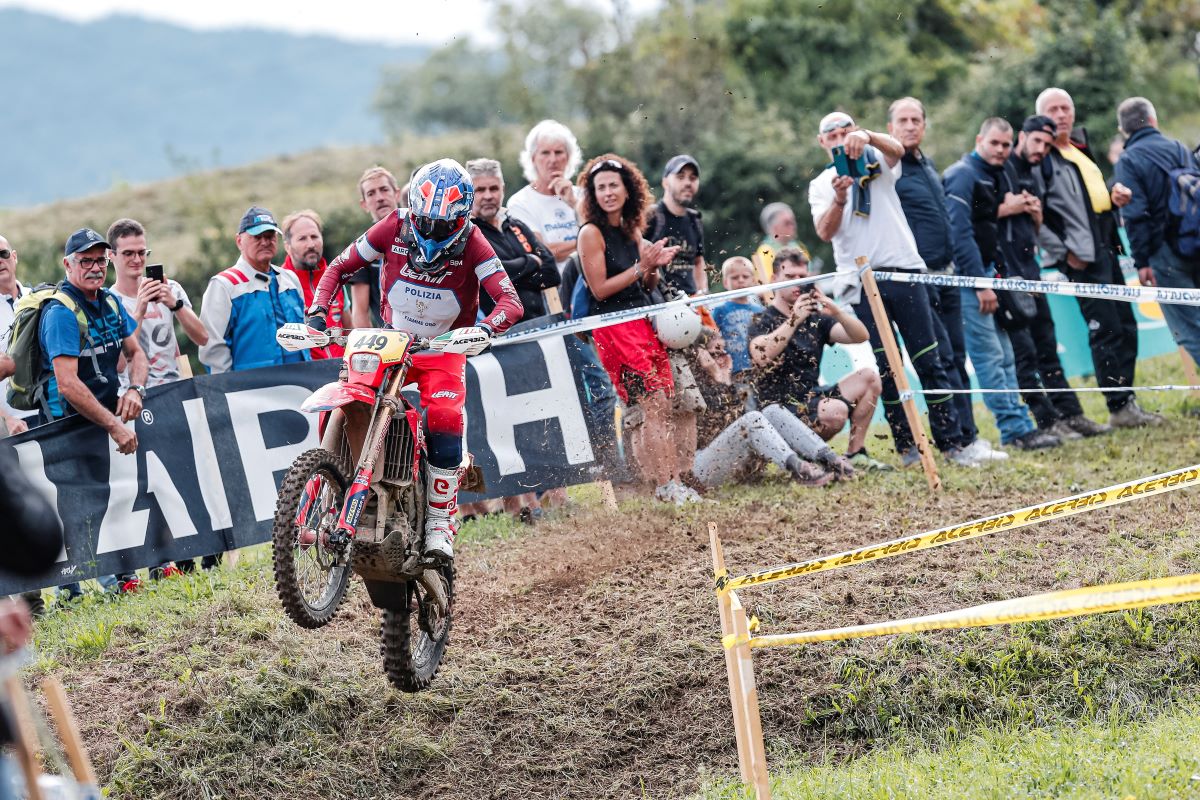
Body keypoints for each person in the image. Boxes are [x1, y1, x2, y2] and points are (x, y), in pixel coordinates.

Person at [309, 158, 523, 561]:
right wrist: (317, 311)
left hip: (443, 348)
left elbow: (510, 302)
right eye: (425, 222)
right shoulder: (394, 225)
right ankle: (337, 484)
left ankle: (441, 521)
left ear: (460, 219)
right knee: (347, 396)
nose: (432, 231)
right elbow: (339, 266)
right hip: (390, 342)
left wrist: (485, 329)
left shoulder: (475, 241)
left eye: (443, 225)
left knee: (444, 413)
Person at [808, 110, 980, 468]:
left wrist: (867, 136)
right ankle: (907, 447)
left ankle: (950, 443)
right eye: (832, 134)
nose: (840, 137)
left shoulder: (877, 158)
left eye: (846, 130)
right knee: (889, 366)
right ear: (823, 142)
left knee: (929, 358)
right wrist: (840, 199)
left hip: (902, 270)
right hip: (860, 280)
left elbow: (898, 150)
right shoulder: (822, 183)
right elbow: (825, 232)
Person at [1035, 87, 1161, 428]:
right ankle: (1118, 405)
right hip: (1081, 257)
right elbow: (1037, 216)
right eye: (1054, 109)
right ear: (1042, 116)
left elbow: (1086, 198)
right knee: (1105, 329)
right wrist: (1064, 254)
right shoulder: (1041, 158)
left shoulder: (1078, 146)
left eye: (1066, 108)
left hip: (1107, 245)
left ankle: (1127, 401)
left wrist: (1112, 194)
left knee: (1125, 324)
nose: (1061, 115)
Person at [575, 153, 696, 504]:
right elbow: (599, 290)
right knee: (653, 405)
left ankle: (666, 484)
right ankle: (666, 485)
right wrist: (641, 265)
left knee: (660, 405)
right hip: (614, 328)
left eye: (614, 185)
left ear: (628, 189)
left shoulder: (631, 229)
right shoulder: (590, 233)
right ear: (592, 195)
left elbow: (644, 283)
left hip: (641, 322)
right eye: (600, 188)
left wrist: (654, 265)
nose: (608, 192)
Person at [39, 229, 148, 600]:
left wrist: (135, 388)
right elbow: (67, 384)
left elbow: (137, 353)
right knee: (71, 509)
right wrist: (115, 425)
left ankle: (114, 578)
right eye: (85, 260)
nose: (95, 267)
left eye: (101, 260)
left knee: (104, 500)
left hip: (100, 415)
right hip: (63, 424)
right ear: (68, 264)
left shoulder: (112, 303)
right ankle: (68, 591)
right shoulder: (60, 313)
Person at [943, 118, 1060, 451]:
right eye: (994, 143)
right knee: (991, 358)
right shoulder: (963, 174)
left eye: (1006, 146)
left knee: (1007, 356)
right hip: (971, 282)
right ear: (979, 139)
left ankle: (1020, 426)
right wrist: (980, 283)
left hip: (992, 275)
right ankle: (1014, 428)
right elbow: (959, 235)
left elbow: (987, 231)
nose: (1000, 150)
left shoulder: (995, 173)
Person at [888, 97, 993, 460]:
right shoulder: (891, 170)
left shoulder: (927, 164)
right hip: (917, 277)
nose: (910, 125)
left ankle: (970, 436)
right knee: (941, 358)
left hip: (949, 276)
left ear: (925, 125)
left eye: (917, 119)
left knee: (958, 356)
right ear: (890, 128)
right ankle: (954, 444)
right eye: (903, 120)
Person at [107, 217, 211, 578]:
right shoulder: (109, 301)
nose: (137, 260)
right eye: (129, 254)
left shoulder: (172, 288)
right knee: (149, 484)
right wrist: (135, 311)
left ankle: (201, 550)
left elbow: (202, 339)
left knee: (189, 475)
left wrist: (177, 303)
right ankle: (162, 560)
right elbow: (116, 360)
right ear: (112, 257)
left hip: (175, 391)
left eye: (142, 252)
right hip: (135, 399)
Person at [1003, 116, 1110, 439]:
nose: (1040, 149)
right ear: (1022, 136)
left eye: (1047, 145)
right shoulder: (1003, 168)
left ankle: (1070, 414)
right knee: (1025, 353)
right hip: (1005, 275)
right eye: (1036, 141)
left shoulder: (1032, 172)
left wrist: (1034, 217)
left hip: (1031, 270)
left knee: (1047, 346)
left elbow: (1031, 229)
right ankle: (1046, 421)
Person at [748, 247, 884, 468]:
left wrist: (836, 310)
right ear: (774, 279)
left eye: (802, 277)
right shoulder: (762, 317)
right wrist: (793, 319)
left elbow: (861, 336)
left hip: (811, 396)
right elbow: (761, 356)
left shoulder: (815, 317)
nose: (797, 282)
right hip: (778, 409)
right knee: (835, 411)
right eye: (789, 277)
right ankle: (805, 453)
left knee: (869, 377)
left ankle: (855, 453)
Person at [690, 330, 854, 488]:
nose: (723, 358)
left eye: (725, 352)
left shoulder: (727, 383)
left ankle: (829, 459)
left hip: (730, 461)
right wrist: (719, 378)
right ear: (700, 356)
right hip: (700, 469)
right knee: (752, 419)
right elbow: (713, 432)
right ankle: (799, 469)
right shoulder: (690, 387)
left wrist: (725, 381)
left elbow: (737, 426)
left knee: (772, 410)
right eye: (715, 354)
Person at [1113, 96, 1200, 369]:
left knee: (1189, 328)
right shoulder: (1179, 148)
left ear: (1123, 130)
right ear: (1153, 120)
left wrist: (1142, 262)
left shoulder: (1128, 161)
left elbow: (1135, 215)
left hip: (1164, 255)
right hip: (1196, 241)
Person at [198, 206, 311, 374]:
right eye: (257, 237)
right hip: (252, 393)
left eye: (270, 236)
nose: (265, 242)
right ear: (239, 241)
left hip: (300, 385)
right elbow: (212, 348)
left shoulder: (290, 279)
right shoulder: (224, 285)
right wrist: (228, 389)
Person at [466, 158, 559, 319]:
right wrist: (531, 261)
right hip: (501, 334)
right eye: (480, 190)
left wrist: (507, 276)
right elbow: (482, 278)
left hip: (541, 327)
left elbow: (552, 274)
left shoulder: (516, 225)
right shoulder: (467, 234)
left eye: (493, 188)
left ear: (502, 189)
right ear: (468, 194)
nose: (488, 196)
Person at [507, 119, 585, 272]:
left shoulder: (583, 195)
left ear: (568, 158)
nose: (553, 160)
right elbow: (542, 252)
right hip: (552, 290)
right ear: (533, 159)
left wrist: (575, 204)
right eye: (545, 153)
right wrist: (589, 243)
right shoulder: (520, 203)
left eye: (558, 152)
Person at [281, 209, 345, 359]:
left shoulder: (335, 277)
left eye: (314, 236)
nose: (311, 244)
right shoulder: (280, 284)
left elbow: (350, 327)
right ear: (287, 246)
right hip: (306, 376)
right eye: (302, 238)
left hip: (342, 373)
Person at [645, 154, 709, 297]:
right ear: (665, 182)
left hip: (692, 303)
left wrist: (702, 293)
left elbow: (698, 261)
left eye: (692, 178)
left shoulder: (695, 219)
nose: (688, 183)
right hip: (660, 306)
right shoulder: (650, 216)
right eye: (680, 177)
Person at [348, 165, 400, 329]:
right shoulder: (361, 248)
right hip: (395, 343)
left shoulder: (422, 233)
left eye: (384, 189)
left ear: (396, 194)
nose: (379, 198)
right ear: (364, 205)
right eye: (371, 193)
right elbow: (360, 313)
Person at [0, 235, 34, 436]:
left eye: (3, 254)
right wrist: (7, 418)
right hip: (11, 423)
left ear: (14, 257)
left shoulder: (40, 298)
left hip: (51, 413)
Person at [710, 256, 765, 379]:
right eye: (734, 277)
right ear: (725, 282)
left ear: (753, 280)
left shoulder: (761, 311)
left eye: (745, 277)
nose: (741, 280)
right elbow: (713, 338)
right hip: (732, 370)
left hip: (758, 369)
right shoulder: (720, 310)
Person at [752, 202, 799, 287]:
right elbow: (768, 288)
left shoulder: (798, 246)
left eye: (793, 221)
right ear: (774, 228)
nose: (793, 226)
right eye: (787, 223)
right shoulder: (765, 250)